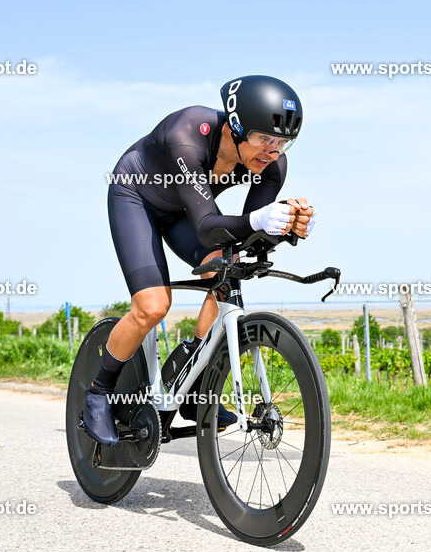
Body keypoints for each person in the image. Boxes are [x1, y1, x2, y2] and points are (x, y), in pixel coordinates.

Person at [83, 75, 315, 446]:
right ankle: (98, 391)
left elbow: (246, 236)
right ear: (236, 127)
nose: (272, 152)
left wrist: (289, 226)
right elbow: (208, 227)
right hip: (137, 198)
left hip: (183, 213)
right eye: (264, 139)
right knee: (152, 306)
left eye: (282, 143)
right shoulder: (187, 133)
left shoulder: (272, 165)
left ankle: (192, 379)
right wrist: (259, 221)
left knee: (229, 267)